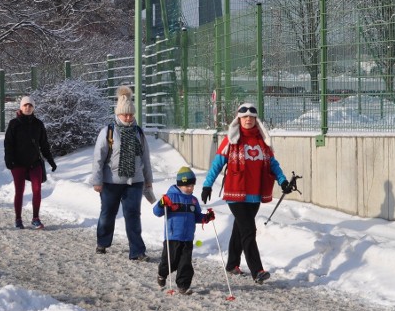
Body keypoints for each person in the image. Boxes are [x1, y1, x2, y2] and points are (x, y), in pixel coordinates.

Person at [201, 102, 292, 284]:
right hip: (235, 194)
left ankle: (232, 264)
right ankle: (257, 270)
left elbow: (273, 164)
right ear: (239, 119)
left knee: (240, 229)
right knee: (249, 230)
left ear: (256, 119)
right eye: (244, 117)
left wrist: (283, 181)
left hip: (255, 194)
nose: (248, 120)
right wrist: (207, 185)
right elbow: (217, 164)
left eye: (251, 117)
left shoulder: (263, 140)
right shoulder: (231, 140)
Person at [91, 85, 153, 260]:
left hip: (135, 182)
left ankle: (137, 251)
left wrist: (148, 180)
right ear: (118, 114)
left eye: (131, 114)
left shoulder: (138, 132)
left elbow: (145, 159)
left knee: (133, 215)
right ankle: (102, 242)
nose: (128, 117)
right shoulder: (108, 132)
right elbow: (98, 158)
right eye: (125, 114)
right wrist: (97, 180)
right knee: (108, 213)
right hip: (111, 182)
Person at [153, 166, 215, 294]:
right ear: (180, 185)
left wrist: (206, 218)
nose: (190, 188)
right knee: (170, 261)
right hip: (173, 236)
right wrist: (161, 204)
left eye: (192, 185)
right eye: (187, 186)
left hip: (188, 237)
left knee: (185, 262)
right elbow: (157, 212)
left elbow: (197, 216)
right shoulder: (170, 197)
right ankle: (162, 274)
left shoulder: (193, 200)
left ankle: (183, 285)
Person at [4, 96, 56, 230]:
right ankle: (18, 219)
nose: (28, 108)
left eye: (30, 106)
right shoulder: (14, 124)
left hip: (34, 162)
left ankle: (35, 218)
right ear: (21, 107)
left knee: (37, 190)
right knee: (19, 191)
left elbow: (44, 144)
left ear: (33, 108)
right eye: (25, 106)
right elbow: (8, 144)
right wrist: (8, 160)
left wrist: (50, 160)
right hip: (18, 163)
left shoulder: (38, 124)